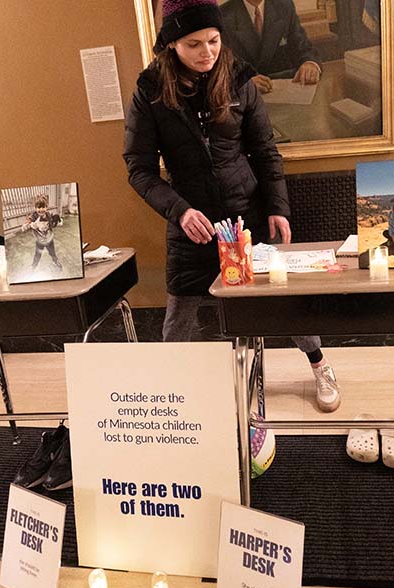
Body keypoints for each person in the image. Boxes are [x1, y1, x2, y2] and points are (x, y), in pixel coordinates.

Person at [123, 0, 341, 412]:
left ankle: (320, 364)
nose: (207, 52)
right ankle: (171, 400)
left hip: (248, 215)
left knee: (282, 299)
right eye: (194, 44)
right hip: (191, 222)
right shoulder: (149, 91)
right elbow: (140, 169)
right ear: (171, 44)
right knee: (178, 319)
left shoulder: (240, 79)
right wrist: (180, 211)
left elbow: (264, 150)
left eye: (214, 40)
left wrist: (278, 206)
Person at [219, 0, 321, 94]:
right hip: (246, 102)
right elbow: (218, 71)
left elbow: (304, 48)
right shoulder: (223, 15)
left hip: (286, 93)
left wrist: (310, 64)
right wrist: (242, 84)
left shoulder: (284, 6)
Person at [22, 195, 62, 270]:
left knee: (52, 253)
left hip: (49, 240)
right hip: (39, 241)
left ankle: (55, 261)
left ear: (46, 207)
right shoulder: (33, 216)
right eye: (38, 207)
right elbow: (24, 227)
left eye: (43, 207)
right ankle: (34, 266)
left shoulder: (48, 215)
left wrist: (57, 223)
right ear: (35, 208)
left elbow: (52, 225)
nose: (41, 209)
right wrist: (30, 225)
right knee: (37, 255)